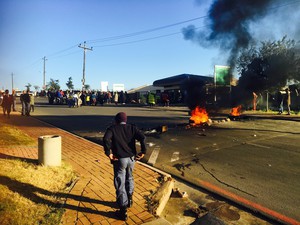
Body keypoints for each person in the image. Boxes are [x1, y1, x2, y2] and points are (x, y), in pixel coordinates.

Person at [103, 112, 146, 221]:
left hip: (119, 159)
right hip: (131, 159)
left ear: (116, 120)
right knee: (130, 177)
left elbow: (106, 139)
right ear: (125, 120)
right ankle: (130, 199)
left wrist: (109, 153)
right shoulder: (132, 128)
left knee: (120, 182)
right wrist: (143, 151)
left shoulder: (112, 129)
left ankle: (123, 210)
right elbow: (142, 137)